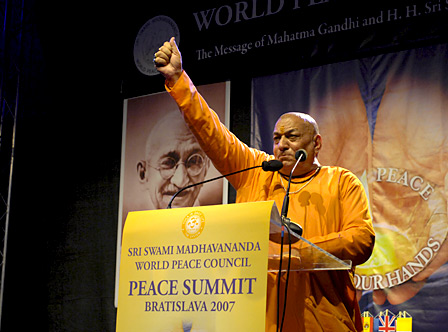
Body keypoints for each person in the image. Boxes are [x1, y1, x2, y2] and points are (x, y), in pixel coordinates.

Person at [154, 37, 375, 332]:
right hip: (256, 320)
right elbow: (211, 132)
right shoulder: (255, 170)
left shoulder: (341, 182)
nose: (281, 145)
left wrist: (302, 251)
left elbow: (362, 239)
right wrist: (179, 80)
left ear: (316, 142)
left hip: (322, 320)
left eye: (292, 137)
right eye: (276, 138)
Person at [136, 112, 211, 209]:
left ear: (205, 170)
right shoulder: (133, 223)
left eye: (193, 161)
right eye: (168, 163)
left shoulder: (217, 221)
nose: (181, 181)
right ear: (143, 174)